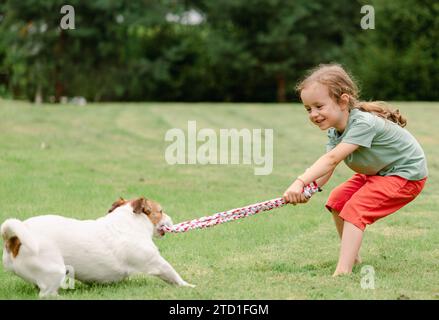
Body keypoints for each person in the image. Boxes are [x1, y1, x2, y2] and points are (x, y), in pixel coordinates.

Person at [283, 64, 428, 276]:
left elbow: (331, 159)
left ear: (343, 101)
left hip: (404, 175)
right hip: (378, 173)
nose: (313, 114)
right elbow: (327, 169)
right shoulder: (336, 130)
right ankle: (354, 257)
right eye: (308, 109)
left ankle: (343, 271)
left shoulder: (362, 123)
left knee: (355, 210)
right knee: (337, 202)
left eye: (319, 106)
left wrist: (300, 181)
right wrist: (310, 189)